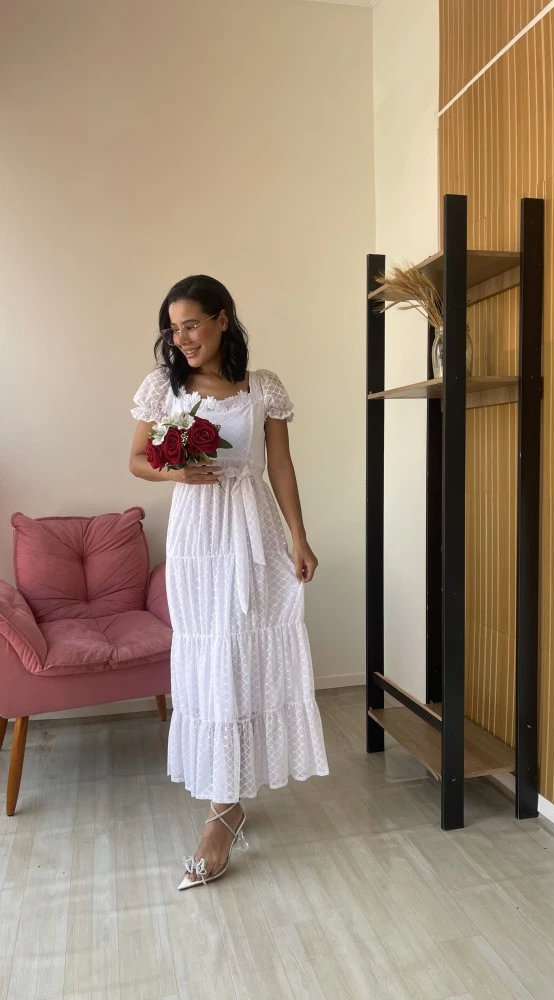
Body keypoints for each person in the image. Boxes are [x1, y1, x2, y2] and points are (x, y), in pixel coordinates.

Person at [129, 275, 328, 889]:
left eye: (191, 324)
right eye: (173, 328)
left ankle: (227, 804)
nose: (182, 338)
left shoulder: (262, 386)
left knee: (245, 656)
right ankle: (223, 808)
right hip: (197, 536)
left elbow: (280, 464)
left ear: (222, 319)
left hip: (254, 530)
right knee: (211, 656)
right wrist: (177, 473)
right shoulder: (164, 386)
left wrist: (298, 536)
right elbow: (137, 459)